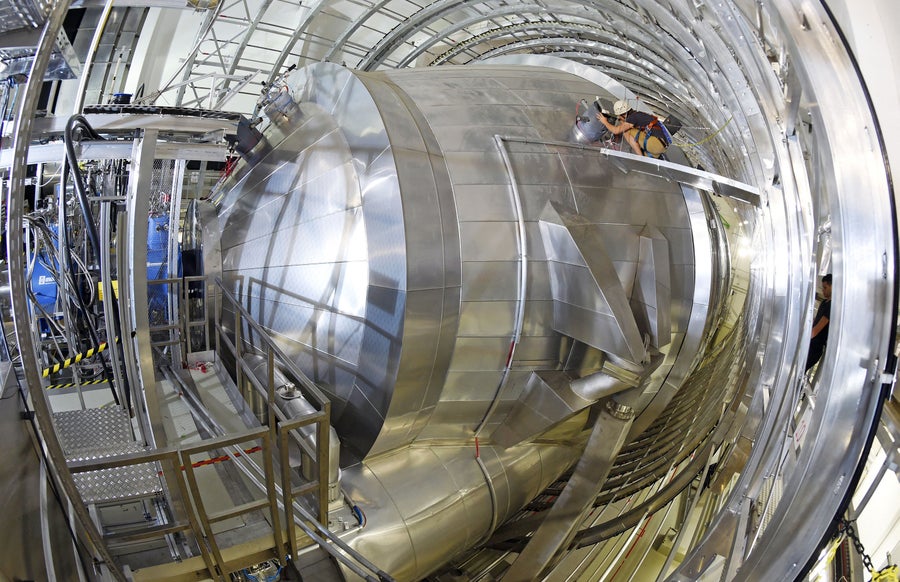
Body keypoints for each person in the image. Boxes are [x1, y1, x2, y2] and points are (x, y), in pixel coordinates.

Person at [596, 100, 670, 158]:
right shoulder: (637, 115)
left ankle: (640, 158)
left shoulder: (633, 118)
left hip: (655, 144)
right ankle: (644, 157)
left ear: (623, 114)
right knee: (646, 164)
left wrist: (605, 121)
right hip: (660, 147)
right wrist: (621, 120)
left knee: (626, 131)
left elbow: (616, 131)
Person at [805, 273, 832, 372]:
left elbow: (816, 330)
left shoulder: (831, 306)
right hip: (810, 343)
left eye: (825, 288)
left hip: (815, 347)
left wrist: (804, 339)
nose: (823, 291)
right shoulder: (824, 303)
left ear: (832, 286)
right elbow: (815, 321)